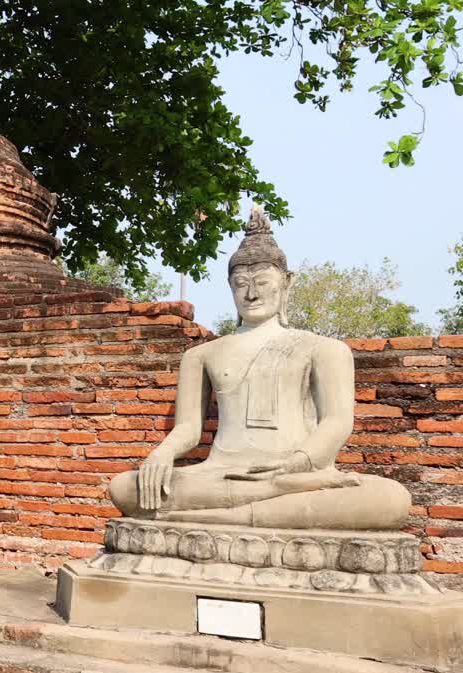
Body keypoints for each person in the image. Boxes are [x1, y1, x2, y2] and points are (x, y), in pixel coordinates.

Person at [108, 208, 409, 530]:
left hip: (296, 474)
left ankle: (226, 514)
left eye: (263, 282)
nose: (251, 294)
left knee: (392, 499)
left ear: (287, 283)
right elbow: (189, 430)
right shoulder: (201, 355)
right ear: (230, 287)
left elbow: (336, 422)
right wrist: (163, 455)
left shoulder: (323, 349)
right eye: (241, 284)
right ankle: (257, 507)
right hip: (222, 475)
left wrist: (295, 464)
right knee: (125, 488)